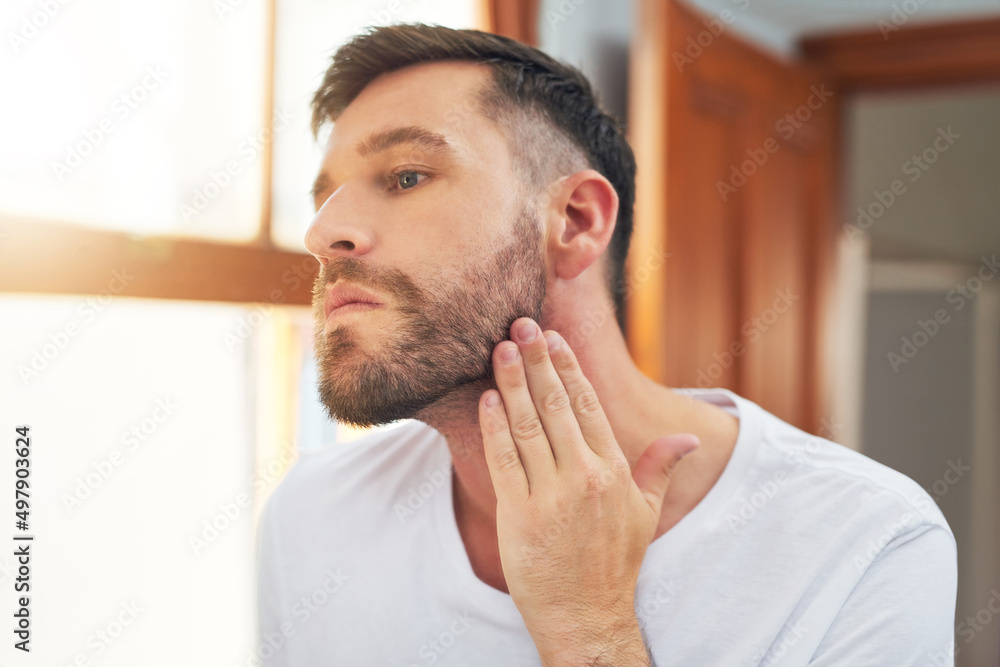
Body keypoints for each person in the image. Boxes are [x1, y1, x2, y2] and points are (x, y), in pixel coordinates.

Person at [254, 23, 957, 666]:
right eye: (326, 197)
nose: (323, 233)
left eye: (406, 176)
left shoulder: (868, 544)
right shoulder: (311, 515)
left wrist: (590, 628)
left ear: (577, 220)